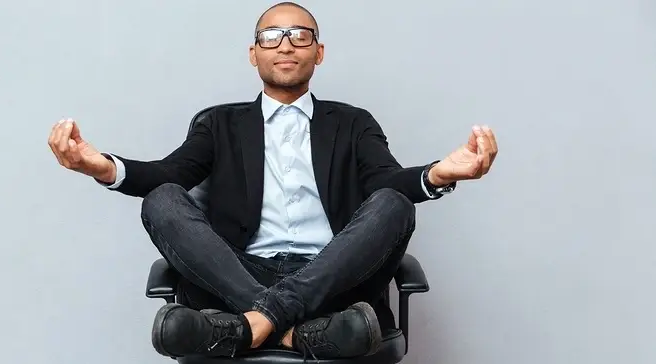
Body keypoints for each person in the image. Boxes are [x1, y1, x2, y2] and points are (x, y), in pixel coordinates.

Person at [48, 1, 498, 359]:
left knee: (393, 206)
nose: (286, 45)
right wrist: (103, 167)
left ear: (318, 52)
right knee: (162, 198)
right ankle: (295, 333)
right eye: (272, 36)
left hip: (332, 276)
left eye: (300, 35)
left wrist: (438, 174)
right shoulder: (219, 124)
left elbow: (388, 182)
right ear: (254, 53)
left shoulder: (353, 123)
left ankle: (247, 328)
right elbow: (169, 174)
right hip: (241, 272)